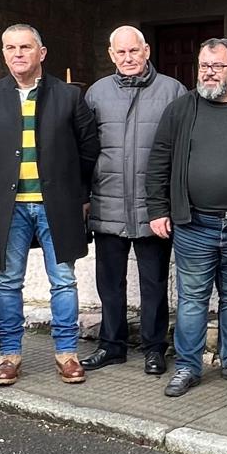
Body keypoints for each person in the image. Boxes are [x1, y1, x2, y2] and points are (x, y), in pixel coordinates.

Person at [0, 23, 100, 386]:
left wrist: (77, 191)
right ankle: (9, 355)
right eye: (10, 48)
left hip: (56, 203)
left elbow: (88, 149)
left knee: (63, 280)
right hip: (10, 206)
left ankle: (67, 354)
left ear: (41, 53)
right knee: (8, 281)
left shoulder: (68, 96)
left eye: (25, 47)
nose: (17, 54)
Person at [144, 38, 227, 397]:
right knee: (192, 299)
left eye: (216, 66)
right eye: (203, 66)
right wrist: (158, 210)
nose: (209, 72)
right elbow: (158, 161)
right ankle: (187, 366)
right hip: (193, 224)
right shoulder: (180, 109)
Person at [81, 26, 185, 376]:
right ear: (111, 55)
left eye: (134, 51)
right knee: (109, 283)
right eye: (120, 53)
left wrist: (170, 204)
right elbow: (85, 149)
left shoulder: (172, 91)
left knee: (154, 283)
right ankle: (112, 345)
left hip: (153, 208)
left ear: (147, 51)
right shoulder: (96, 93)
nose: (128, 58)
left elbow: (181, 153)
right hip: (107, 204)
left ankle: (155, 349)